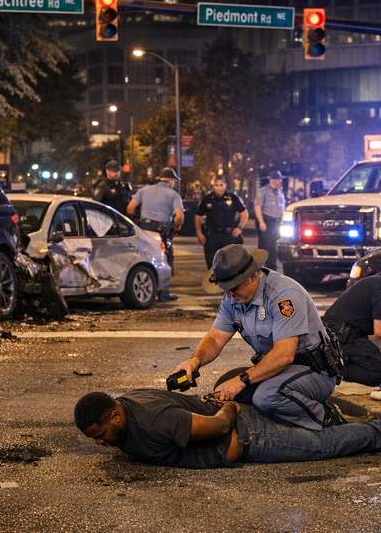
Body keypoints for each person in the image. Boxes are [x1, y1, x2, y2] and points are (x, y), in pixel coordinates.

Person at [174, 244, 340, 431]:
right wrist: (195, 361)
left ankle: (326, 418)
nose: (230, 294)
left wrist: (242, 380)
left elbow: (284, 354)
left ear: (252, 277)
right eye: (225, 289)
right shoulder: (233, 298)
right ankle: (280, 414)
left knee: (267, 396)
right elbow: (216, 338)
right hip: (281, 370)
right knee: (223, 388)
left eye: (233, 288)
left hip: (313, 372)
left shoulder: (284, 296)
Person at [74, 389, 381, 469]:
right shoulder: (125, 405)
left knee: (322, 446)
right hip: (246, 433)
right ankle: (378, 428)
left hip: (250, 436)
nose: (102, 444)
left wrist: (231, 407)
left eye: (100, 435)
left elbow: (219, 425)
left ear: (115, 416)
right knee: (321, 439)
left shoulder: (156, 420)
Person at [127, 168, 184, 301]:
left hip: (144, 230)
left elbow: (130, 208)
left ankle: (148, 286)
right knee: (166, 259)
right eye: (173, 181)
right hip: (161, 232)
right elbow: (179, 216)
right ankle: (163, 292)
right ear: (170, 180)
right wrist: (176, 226)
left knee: (145, 257)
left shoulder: (144, 190)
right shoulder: (174, 195)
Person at [195, 177, 249, 268]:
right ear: (213, 186)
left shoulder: (233, 197)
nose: (219, 187)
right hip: (212, 235)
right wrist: (199, 232)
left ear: (225, 185)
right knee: (212, 264)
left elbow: (244, 213)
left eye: (221, 185)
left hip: (229, 235)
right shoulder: (207, 199)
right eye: (216, 185)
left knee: (232, 264)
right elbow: (198, 216)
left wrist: (240, 227)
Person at [254, 171, 286, 271]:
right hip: (267, 221)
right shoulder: (263, 191)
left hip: (277, 222)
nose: (277, 181)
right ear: (271, 179)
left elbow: (282, 208)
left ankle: (268, 269)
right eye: (275, 179)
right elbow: (257, 207)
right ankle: (266, 268)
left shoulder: (280, 192)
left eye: (279, 179)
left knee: (273, 246)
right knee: (267, 246)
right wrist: (261, 222)